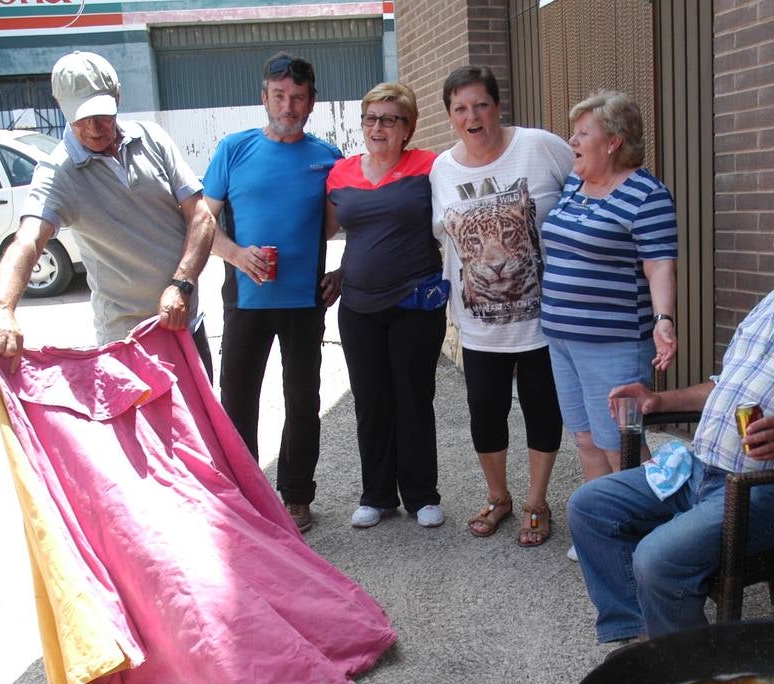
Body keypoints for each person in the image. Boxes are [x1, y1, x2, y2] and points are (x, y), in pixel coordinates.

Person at [568, 182, 774, 643]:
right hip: (702, 471)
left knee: (658, 560)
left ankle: (695, 674)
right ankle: (641, 637)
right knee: (590, 507)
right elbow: (725, 386)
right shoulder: (772, 302)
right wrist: (658, 401)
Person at [0, 51, 215, 379]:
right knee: (142, 432)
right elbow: (27, 241)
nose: (93, 129)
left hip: (186, 324)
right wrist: (1, 308)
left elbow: (201, 217)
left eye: (101, 115)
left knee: (201, 428)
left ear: (118, 98)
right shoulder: (58, 172)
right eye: (80, 118)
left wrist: (182, 283)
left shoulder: (152, 139)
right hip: (126, 341)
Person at [430, 66, 573, 547]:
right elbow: (441, 238)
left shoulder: (540, 147)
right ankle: (498, 496)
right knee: (484, 411)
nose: (473, 116)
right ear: (450, 116)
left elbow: (588, 191)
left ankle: (536, 499)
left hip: (545, 319)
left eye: (481, 105)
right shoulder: (442, 170)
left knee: (541, 408)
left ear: (497, 105)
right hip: (479, 324)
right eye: (461, 108)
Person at [202, 53, 341, 534]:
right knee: (238, 398)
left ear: (312, 103)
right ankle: (244, 494)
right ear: (264, 98)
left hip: (305, 301)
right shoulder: (233, 149)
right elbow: (203, 223)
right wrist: (237, 255)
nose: (288, 105)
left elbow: (353, 225)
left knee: (303, 401)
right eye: (279, 96)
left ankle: (297, 496)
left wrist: (342, 273)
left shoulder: (327, 158)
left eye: (298, 97)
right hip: (246, 300)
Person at [540, 90, 677, 561]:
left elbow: (659, 264)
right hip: (561, 338)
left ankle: (652, 534)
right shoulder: (575, 186)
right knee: (585, 437)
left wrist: (663, 319)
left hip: (614, 343)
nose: (572, 140)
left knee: (624, 444)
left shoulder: (646, 194)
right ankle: (602, 527)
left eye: (582, 133)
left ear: (614, 142)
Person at [325, 82, 447, 529]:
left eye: (389, 119)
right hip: (357, 305)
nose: (378, 127)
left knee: (413, 398)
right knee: (371, 401)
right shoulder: (340, 174)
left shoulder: (430, 167)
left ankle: (421, 496)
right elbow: (327, 230)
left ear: (407, 128)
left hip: (416, 302)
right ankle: (376, 495)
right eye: (371, 118)